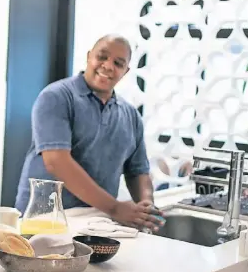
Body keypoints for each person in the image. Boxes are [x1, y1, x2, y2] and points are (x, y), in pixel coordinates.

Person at [14, 34, 164, 231]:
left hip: (97, 222)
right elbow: (56, 161)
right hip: (44, 219)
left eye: (118, 63)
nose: (108, 66)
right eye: (102, 57)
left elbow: (138, 171)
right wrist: (115, 208)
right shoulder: (57, 97)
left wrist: (146, 205)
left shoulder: (131, 116)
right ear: (88, 56)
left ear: (125, 72)